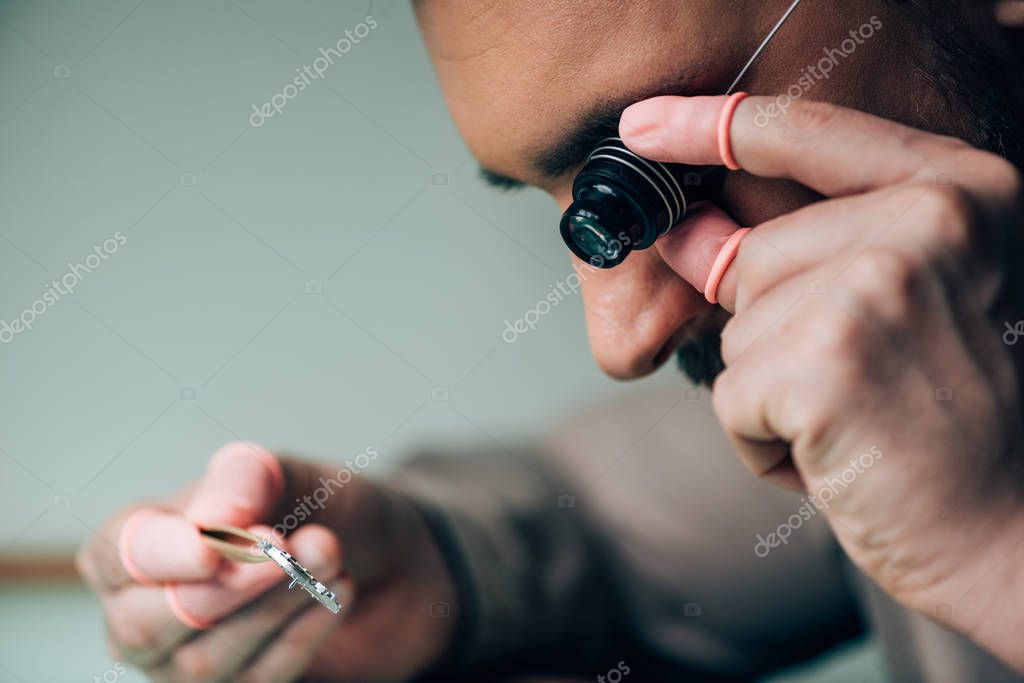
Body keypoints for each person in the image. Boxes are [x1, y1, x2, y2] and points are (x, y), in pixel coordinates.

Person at [77, 1, 1024, 680]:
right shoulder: (899, 389)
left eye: (660, 172)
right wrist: (419, 571)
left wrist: (996, 557)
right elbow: (604, 532)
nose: (622, 341)